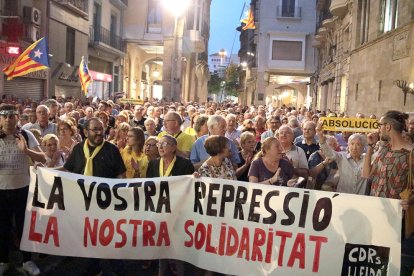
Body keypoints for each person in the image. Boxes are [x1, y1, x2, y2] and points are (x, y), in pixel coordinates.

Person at [63, 117, 126, 275]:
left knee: (108, 240)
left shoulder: (112, 150)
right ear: (85, 132)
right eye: (95, 129)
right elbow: (67, 171)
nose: (99, 133)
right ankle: (93, 268)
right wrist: (45, 172)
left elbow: (121, 176)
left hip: (106, 204)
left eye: (101, 129)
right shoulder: (78, 149)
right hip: (83, 204)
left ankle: (114, 269)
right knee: (89, 238)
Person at [362, 111, 414, 275]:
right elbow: (366, 175)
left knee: (394, 265)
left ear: (388, 127)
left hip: (398, 219)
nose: (378, 129)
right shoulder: (383, 150)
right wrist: (370, 147)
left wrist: (411, 200)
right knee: (377, 262)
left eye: (380, 125)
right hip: (377, 215)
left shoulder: (411, 153)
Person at [0, 104, 46, 276]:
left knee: (24, 227)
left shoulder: (25, 135)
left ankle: (27, 260)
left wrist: (26, 151)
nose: (7, 119)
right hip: (1, 190)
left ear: (17, 118)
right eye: (4, 116)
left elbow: (43, 157)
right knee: (2, 228)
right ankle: (3, 260)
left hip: (23, 189)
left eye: (11, 116)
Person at [146, 135, 194, 276]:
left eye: (164, 144)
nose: (160, 147)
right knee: (161, 243)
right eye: (158, 144)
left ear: (174, 147)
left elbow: (190, 188)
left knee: (175, 246)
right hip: (158, 211)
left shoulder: (185, 164)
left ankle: (179, 272)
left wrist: (195, 178)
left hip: (177, 212)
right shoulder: (153, 164)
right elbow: (148, 186)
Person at [317, 125, 368, 194]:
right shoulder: (342, 156)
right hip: (343, 196)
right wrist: (321, 137)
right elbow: (329, 153)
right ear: (348, 145)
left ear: (363, 147)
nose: (354, 147)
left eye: (358, 144)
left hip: (361, 198)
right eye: (352, 144)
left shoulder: (367, 159)